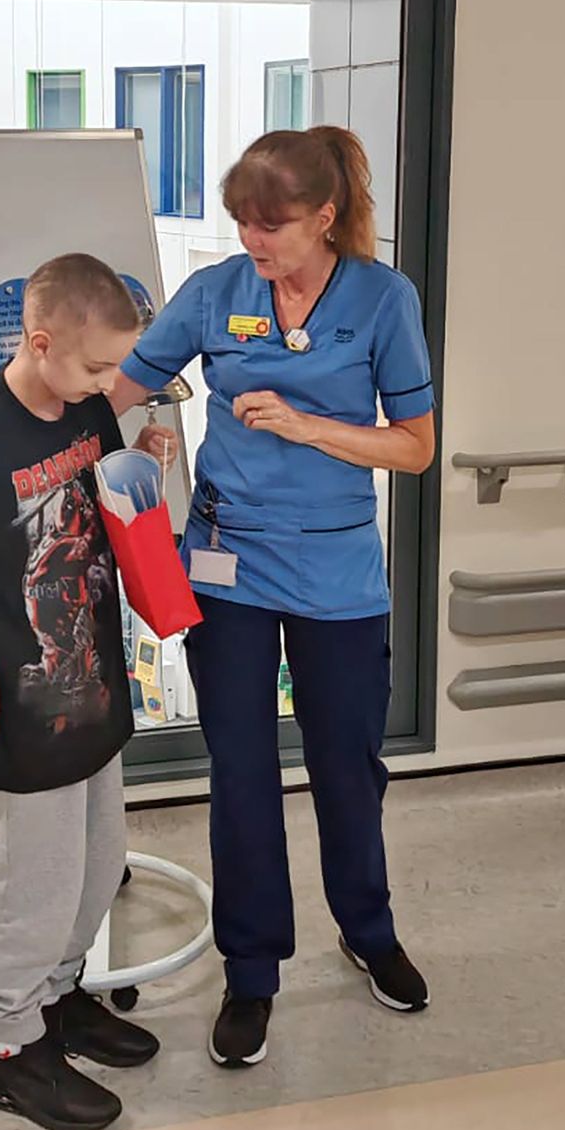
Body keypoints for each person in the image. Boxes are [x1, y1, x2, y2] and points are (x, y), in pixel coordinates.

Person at [111, 126, 436, 1070]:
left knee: (347, 768)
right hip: (229, 563)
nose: (255, 242)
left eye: (274, 225)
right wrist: (23, 423)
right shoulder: (216, 292)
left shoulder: (383, 299)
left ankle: (368, 932)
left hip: (336, 573)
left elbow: (411, 446)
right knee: (242, 774)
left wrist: (307, 426)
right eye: (244, 223)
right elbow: (120, 387)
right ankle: (250, 972)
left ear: (325, 216)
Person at [0, 253, 165, 1130]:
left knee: (96, 864)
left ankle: (58, 997)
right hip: (18, 694)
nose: (107, 386)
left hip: (91, 681)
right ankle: (9, 1047)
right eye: (93, 368)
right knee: (33, 879)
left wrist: (149, 451)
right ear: (40, 344)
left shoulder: (81, 402)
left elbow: (101, 486)